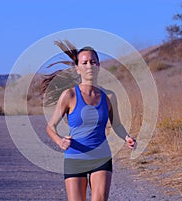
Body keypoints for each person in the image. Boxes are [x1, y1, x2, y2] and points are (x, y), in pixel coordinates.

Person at [43, 40, 136, 201]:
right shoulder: (69, 96)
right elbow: (50, 127)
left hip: (101, 157)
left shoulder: (109, 96)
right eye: (84, 63)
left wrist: (127, 137)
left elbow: (117, 124)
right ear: (78, 69)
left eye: (93, 62)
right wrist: (60, 142)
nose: (89, 66)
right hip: (75, 157)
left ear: (99, 66)